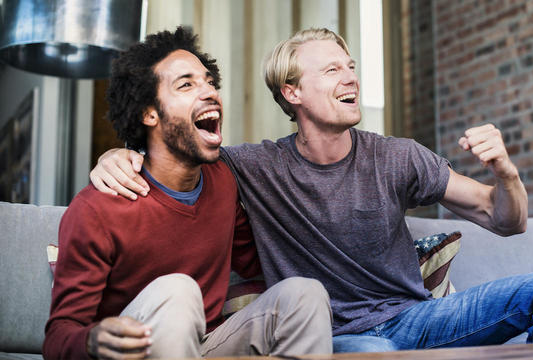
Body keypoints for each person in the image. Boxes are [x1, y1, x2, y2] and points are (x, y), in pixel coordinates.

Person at [90, 28, 533, 352]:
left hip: (419, 319)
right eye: (332, 70)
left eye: (350, 67)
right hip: (341, 336)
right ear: (292, 93)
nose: (351, 77)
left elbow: (507, 220)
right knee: (377, 352)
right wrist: (120, 154)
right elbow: (179, 157)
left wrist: (506, 172)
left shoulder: (398, 155)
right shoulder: (251, 168)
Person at [43, 27, 332, 360]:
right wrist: (92, 341)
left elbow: (258, 257)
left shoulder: (223, 180)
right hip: (132, 351)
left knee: (304, 295)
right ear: (148, 113)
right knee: (177, 290)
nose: (210, 92)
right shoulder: (97, 209)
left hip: (204, 346)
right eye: (186, 84)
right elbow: (57, 338)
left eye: (210, 82)